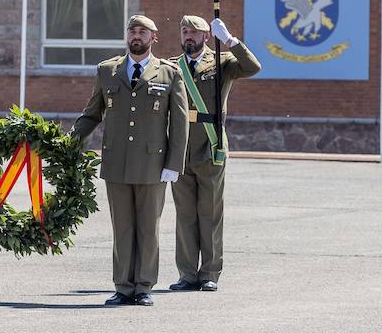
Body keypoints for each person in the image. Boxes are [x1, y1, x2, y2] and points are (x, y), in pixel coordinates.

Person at [70, 15, 188, 307]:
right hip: (117, 163)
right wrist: (68, 141)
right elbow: (92, 113)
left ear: (153, 38)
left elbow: (181, 123)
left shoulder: (170, 74)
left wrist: (174, 164)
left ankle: (144, 286)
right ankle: (123, 286)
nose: (137, 36)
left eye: (143, 32)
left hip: (152, 164)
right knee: (122, 227)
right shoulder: (108, 70)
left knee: (148, 228)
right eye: (133, 31)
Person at [169, 15, 261, 292]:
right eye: (184, 31)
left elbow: (253, 67)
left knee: (209, 212)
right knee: (185, 214)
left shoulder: (221, 62)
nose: (188, 36)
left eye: (194, 32)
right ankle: (187, 273)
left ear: (206, 36)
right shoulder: (173, 66)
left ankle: (209, 273)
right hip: (181, 145)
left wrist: (231, 41)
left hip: (210, 145)